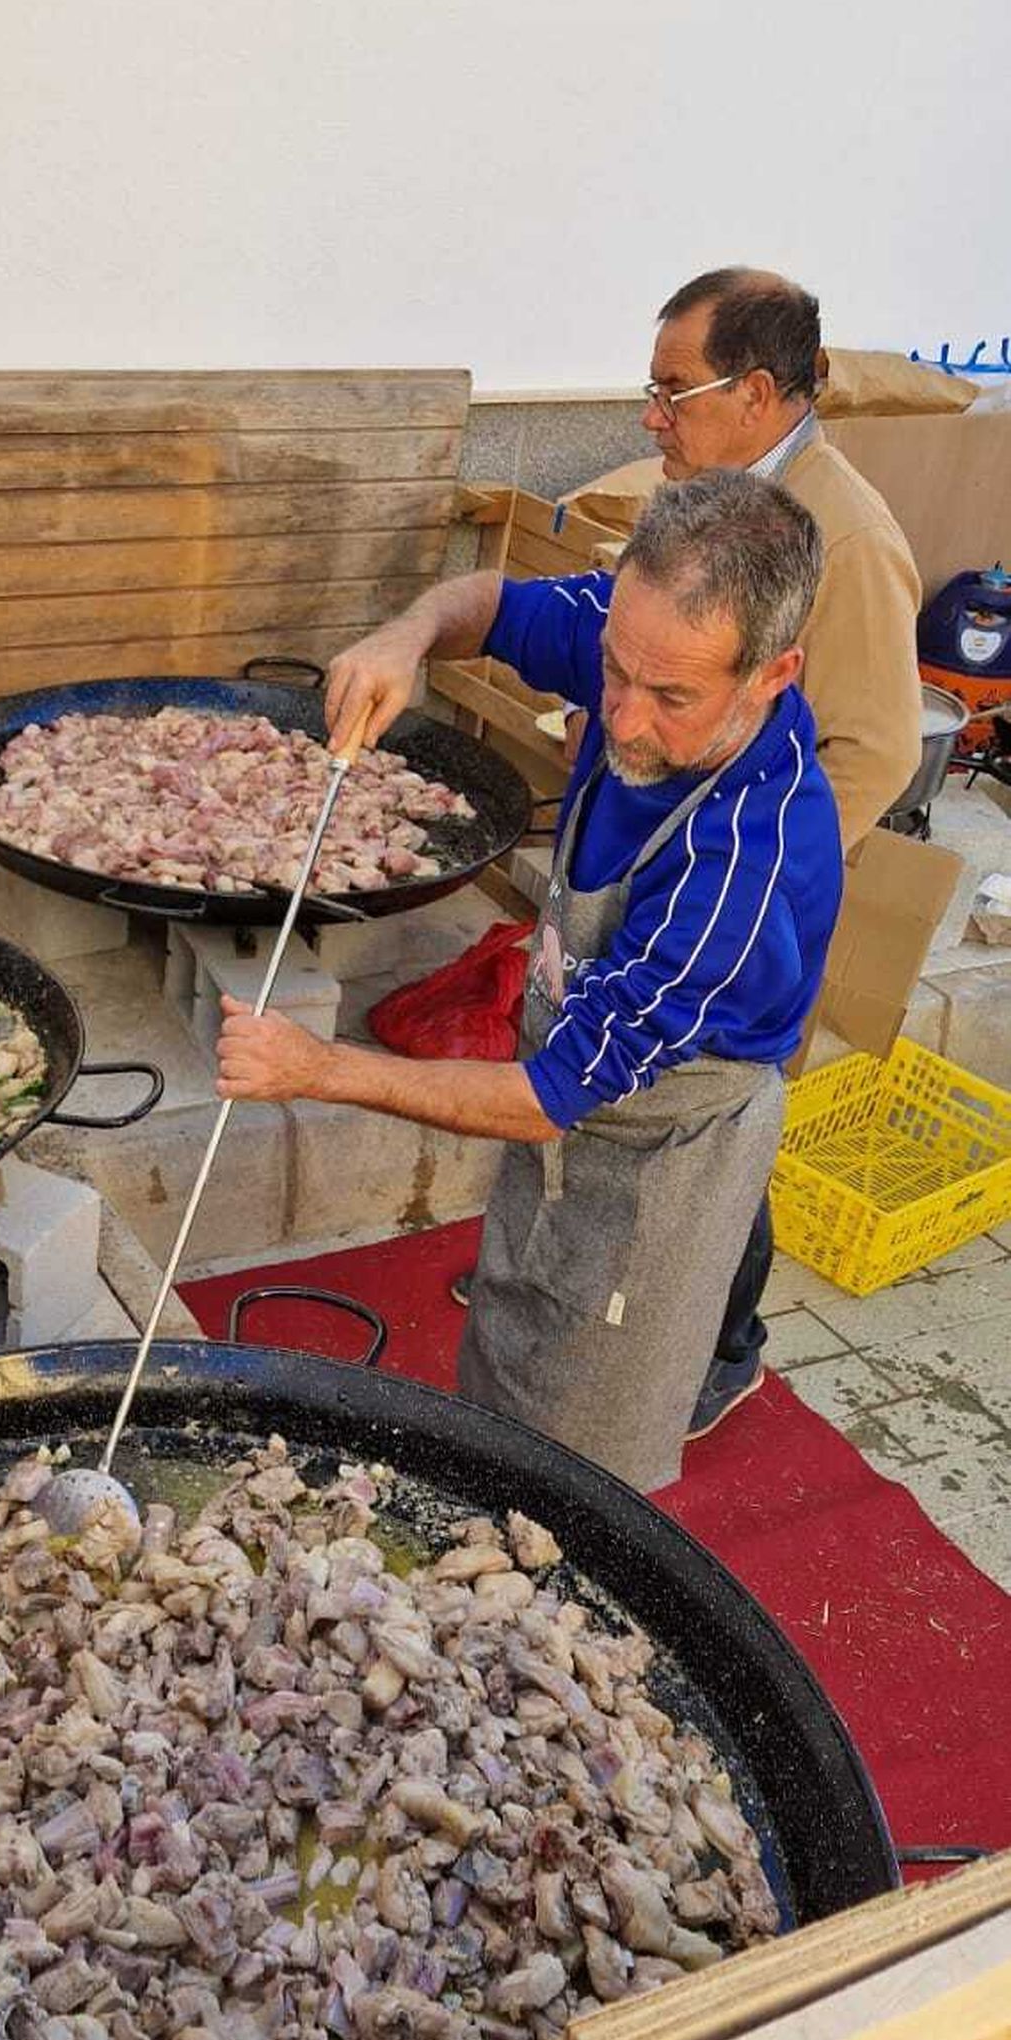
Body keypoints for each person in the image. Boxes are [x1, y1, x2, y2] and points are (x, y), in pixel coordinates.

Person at [216, 471, 841, 1498]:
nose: (623, 719)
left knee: (582, 1441)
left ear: (774, 674)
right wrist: (404, 639)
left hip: (659, 1153)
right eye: (612, 674)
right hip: (562, 1101)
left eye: (671, 698)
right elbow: (493, 605)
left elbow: (542, 1100)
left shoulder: (742, 867)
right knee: (506, 1330)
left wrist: (319, 1068)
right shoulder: (644, 630)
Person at [595, 269, 923, 1429]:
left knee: (717, 1118)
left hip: (746, 901)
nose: (650, 415)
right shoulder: (701, 495)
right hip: (661, 865)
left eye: (673, 390)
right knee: (627, 1090)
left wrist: (745, 879)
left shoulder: (851, 538)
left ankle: (726, 1345)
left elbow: (876, 748)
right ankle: (587, 1286)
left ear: (762, 392)